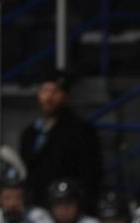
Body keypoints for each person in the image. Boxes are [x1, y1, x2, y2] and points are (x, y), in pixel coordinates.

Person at [18, 69, 103, 208]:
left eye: (54, 91)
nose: (48, 97)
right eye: (44, 91)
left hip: (67, 208)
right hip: (37, 208)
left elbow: (90, 176)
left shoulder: (81, 131)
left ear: (65, 96)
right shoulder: (30, 133)